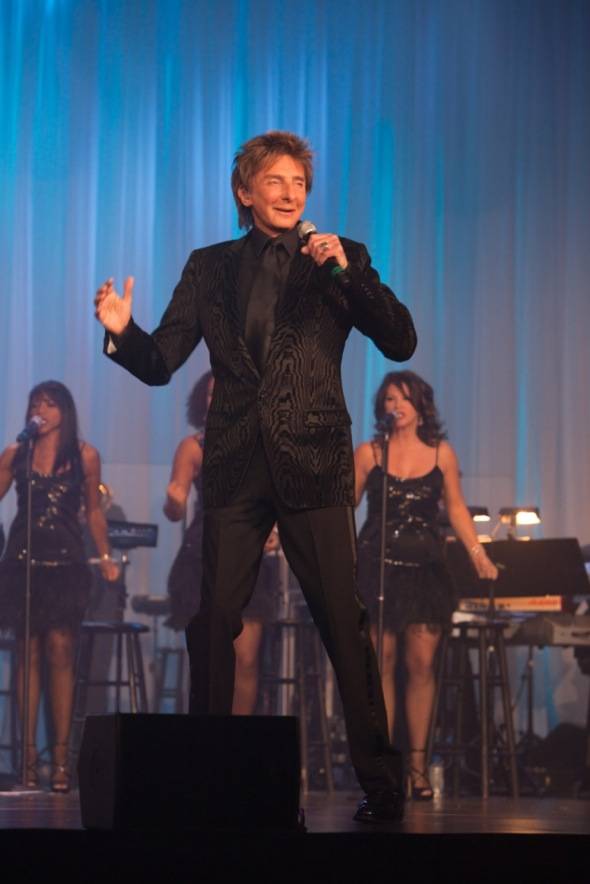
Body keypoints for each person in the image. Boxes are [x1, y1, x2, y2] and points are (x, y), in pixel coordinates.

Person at [94, 130, 417, 822]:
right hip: (237, 463)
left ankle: (382, 782)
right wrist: (123, 331)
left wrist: (347, 275)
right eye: (275, 181)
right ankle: (206, 774)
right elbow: (162, 362)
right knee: (214, 620)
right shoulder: (209, 267)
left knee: (343, 621)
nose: (290, 194)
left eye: (299, 183)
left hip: (314, 461)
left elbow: (400, 339)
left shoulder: (340, 257)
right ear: (246, 191)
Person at [354, 370, 498, 800]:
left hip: (424, 572)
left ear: (420, 406)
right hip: (377, 569)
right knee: (381, 664)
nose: (395, 406)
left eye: (403, 398)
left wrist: (478, 554)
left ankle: (417, 768)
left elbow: (455, 509)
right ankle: (384, 767)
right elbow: (346, 504)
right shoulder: (369, 452)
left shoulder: (441, 453)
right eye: (388, 399)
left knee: (420, 665)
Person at [0, 381, 118, 791]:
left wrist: (105, 556)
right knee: (27, 653)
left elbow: (94, 513)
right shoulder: (17, 452)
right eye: (36, 403)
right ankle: (28, 760)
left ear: (65, 412)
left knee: (61, 650)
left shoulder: (85, 455)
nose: (42, 410)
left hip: (66, 564)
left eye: (50, 404)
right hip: (23, 563)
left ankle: (63, 759)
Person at [164, 370, 278, 714]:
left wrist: (275, 532)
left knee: (245, 659)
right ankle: (206, 736)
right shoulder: (193, 446)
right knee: (208, 659)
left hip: (249, 557)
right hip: (204, 556)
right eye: (213, 393)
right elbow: (176, 501)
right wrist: (174, 501)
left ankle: (236, 738)